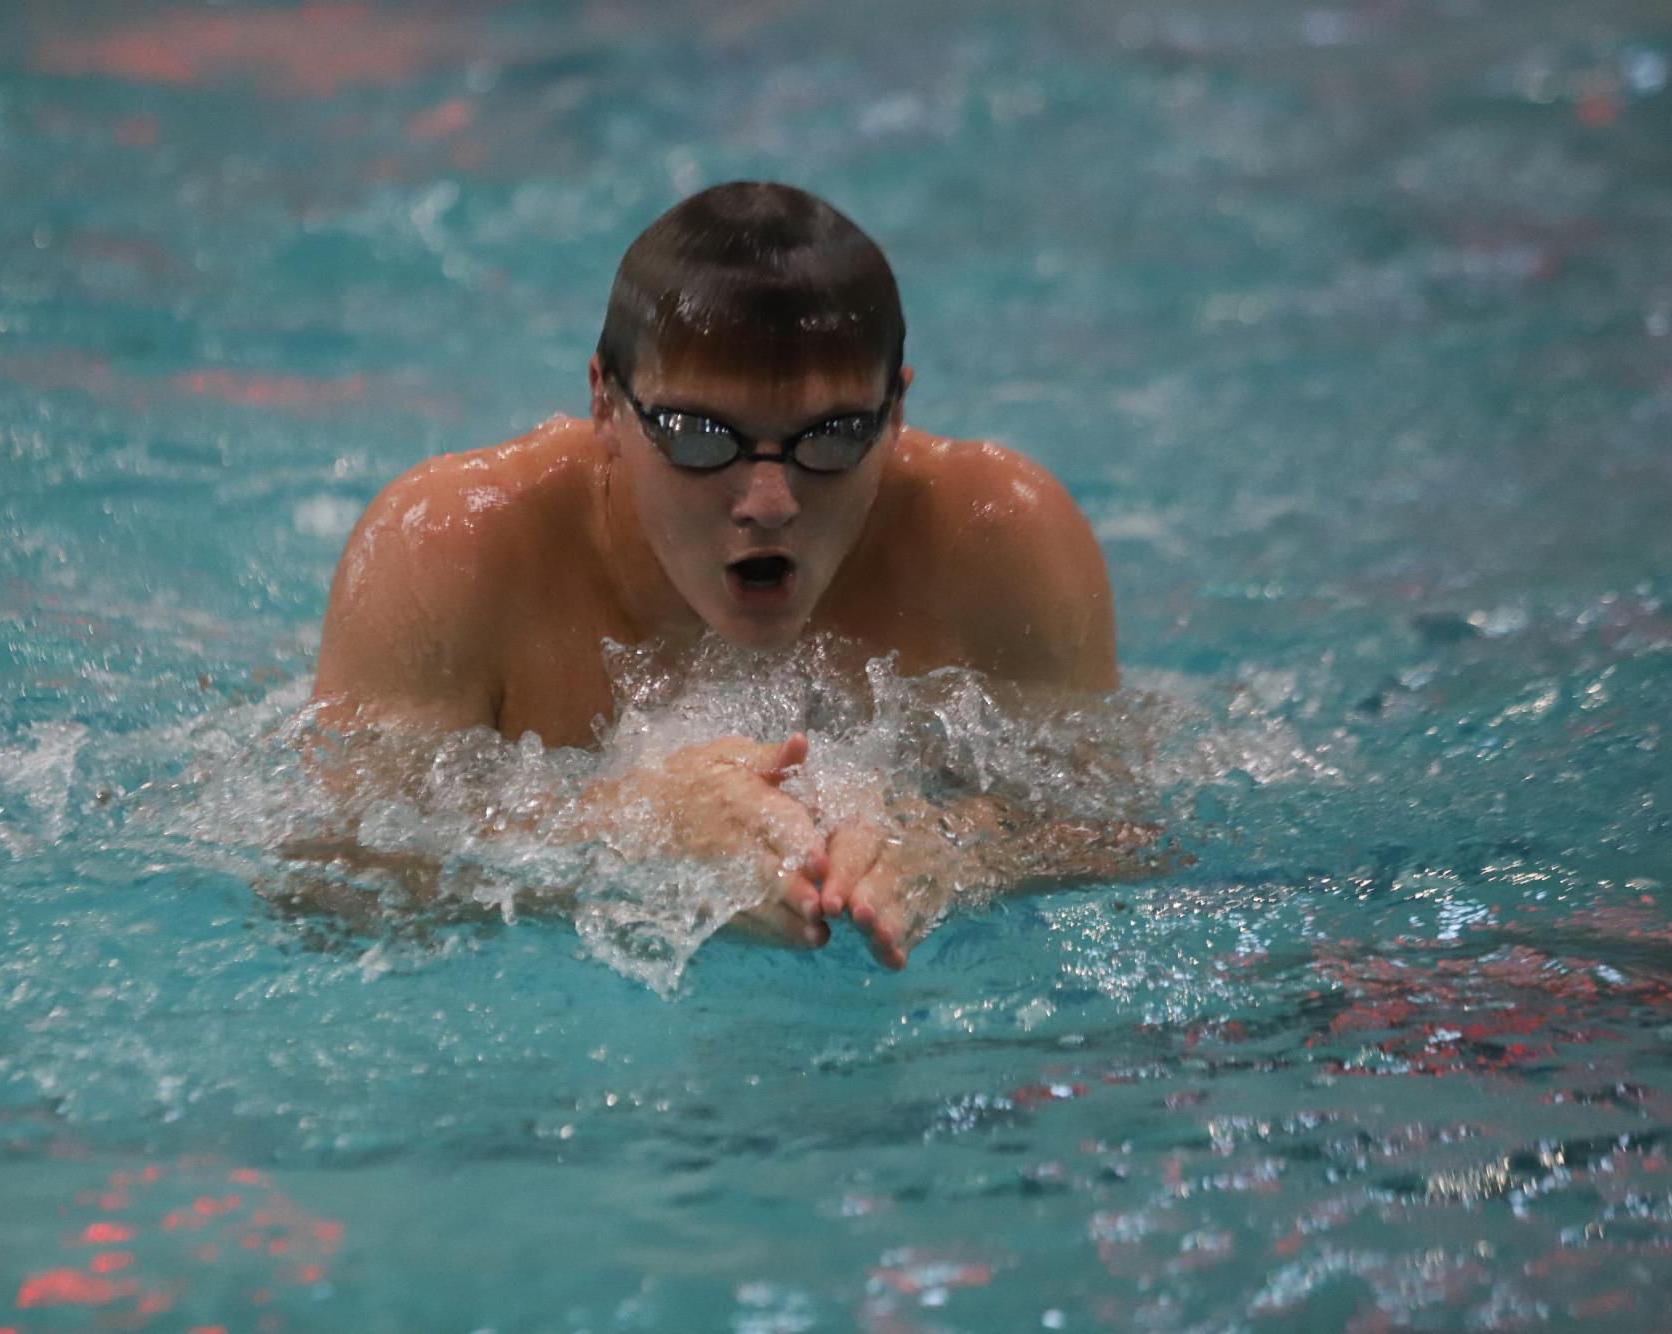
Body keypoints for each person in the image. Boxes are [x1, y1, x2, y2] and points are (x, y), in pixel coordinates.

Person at [307, 181, 1119, 969]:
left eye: (832, 438)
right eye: (699, 437)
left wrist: (950, 849)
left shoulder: (998, 536)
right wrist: (619, 829)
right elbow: (325, 883)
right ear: (604, 404)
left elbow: (1118, 835)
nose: (768, 502)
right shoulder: (452, 545)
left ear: (894, 413)